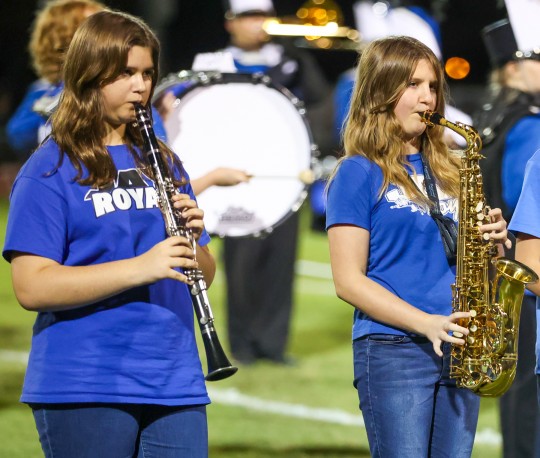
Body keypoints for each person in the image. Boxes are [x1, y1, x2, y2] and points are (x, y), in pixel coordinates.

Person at [2, 9, 214, 457]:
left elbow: (204, 274)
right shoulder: (49, 169)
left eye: (147, 73)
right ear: (90, 75)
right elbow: (31, 286)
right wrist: (141, 267)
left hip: (174, 377)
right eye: (125, 73)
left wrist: (194, 244)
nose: (140, 86)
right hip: (85, 380)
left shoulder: (163, 161)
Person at [326, 35, 511, 457]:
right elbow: (348, 281)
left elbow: (479, 268)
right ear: (380, 92)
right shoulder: (358, 172)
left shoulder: (454, 170)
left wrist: (495, 243)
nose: (428, 97)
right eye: (412, 85)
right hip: (394, 348)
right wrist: (426, 323)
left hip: (461, 344)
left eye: (432, 86)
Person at [156, 0, 328, 365]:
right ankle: (243, 344)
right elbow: (178, 105)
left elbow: (321, 105)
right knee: (240, 264)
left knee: (280, 263)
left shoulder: (292, 61)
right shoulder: (212, 65)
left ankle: (274, 345)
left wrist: (301, 142)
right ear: (230, 23)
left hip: (281, 177)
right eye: (248, 17)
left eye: (262, 16)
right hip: (229, 178)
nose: (257, 24)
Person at [474, 9, 540, 458]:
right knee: (528, 388)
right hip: (529, 272)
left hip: (500, 267)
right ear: (514, 67)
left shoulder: (493, 113)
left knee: (517, 385)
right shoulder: (530, 123)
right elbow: (525, 200)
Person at [5, 0, 166, 160]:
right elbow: (17, 136)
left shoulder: (122, 90)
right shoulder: (42, 91)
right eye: (98, 28)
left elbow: (160, 142)